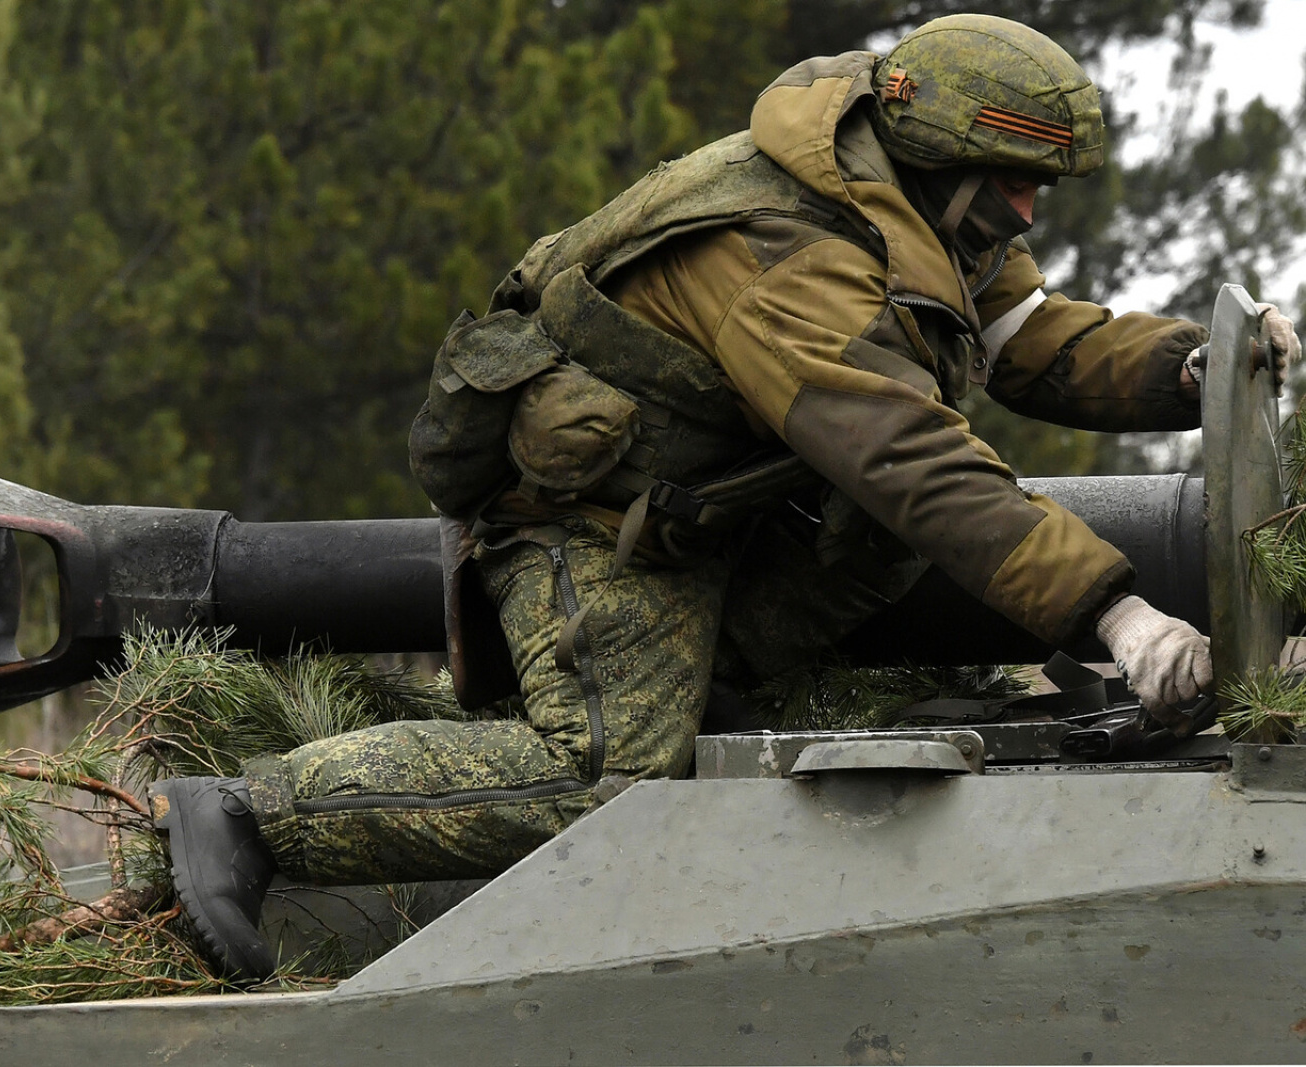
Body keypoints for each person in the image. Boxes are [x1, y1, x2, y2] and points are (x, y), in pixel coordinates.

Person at [149, 14, 1301, 978]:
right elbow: (915, 460)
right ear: (944, 154)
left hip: (731, 509)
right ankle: (250, 810)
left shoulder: (905, 188)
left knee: (857, 591)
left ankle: (742, 686)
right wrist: (1118, 612)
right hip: (599, 527)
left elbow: (1016, 333)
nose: (1028, 217)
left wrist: (1185, 365)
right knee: (606, 773)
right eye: (1011, 187)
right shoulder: (781, 251)